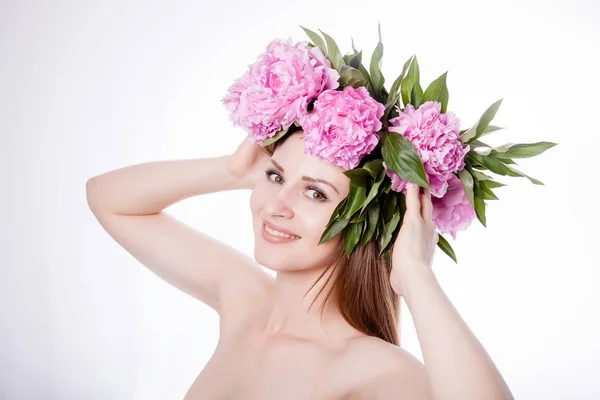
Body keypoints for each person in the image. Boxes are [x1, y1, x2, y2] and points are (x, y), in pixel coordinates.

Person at [86, 129, 514, 399]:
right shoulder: (246, 302)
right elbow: (108, 199)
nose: (276, 205)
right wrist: (236, 172)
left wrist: (416, 278)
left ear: (363, 226)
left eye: (315, 194)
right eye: (275, 178)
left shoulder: (375, 369)